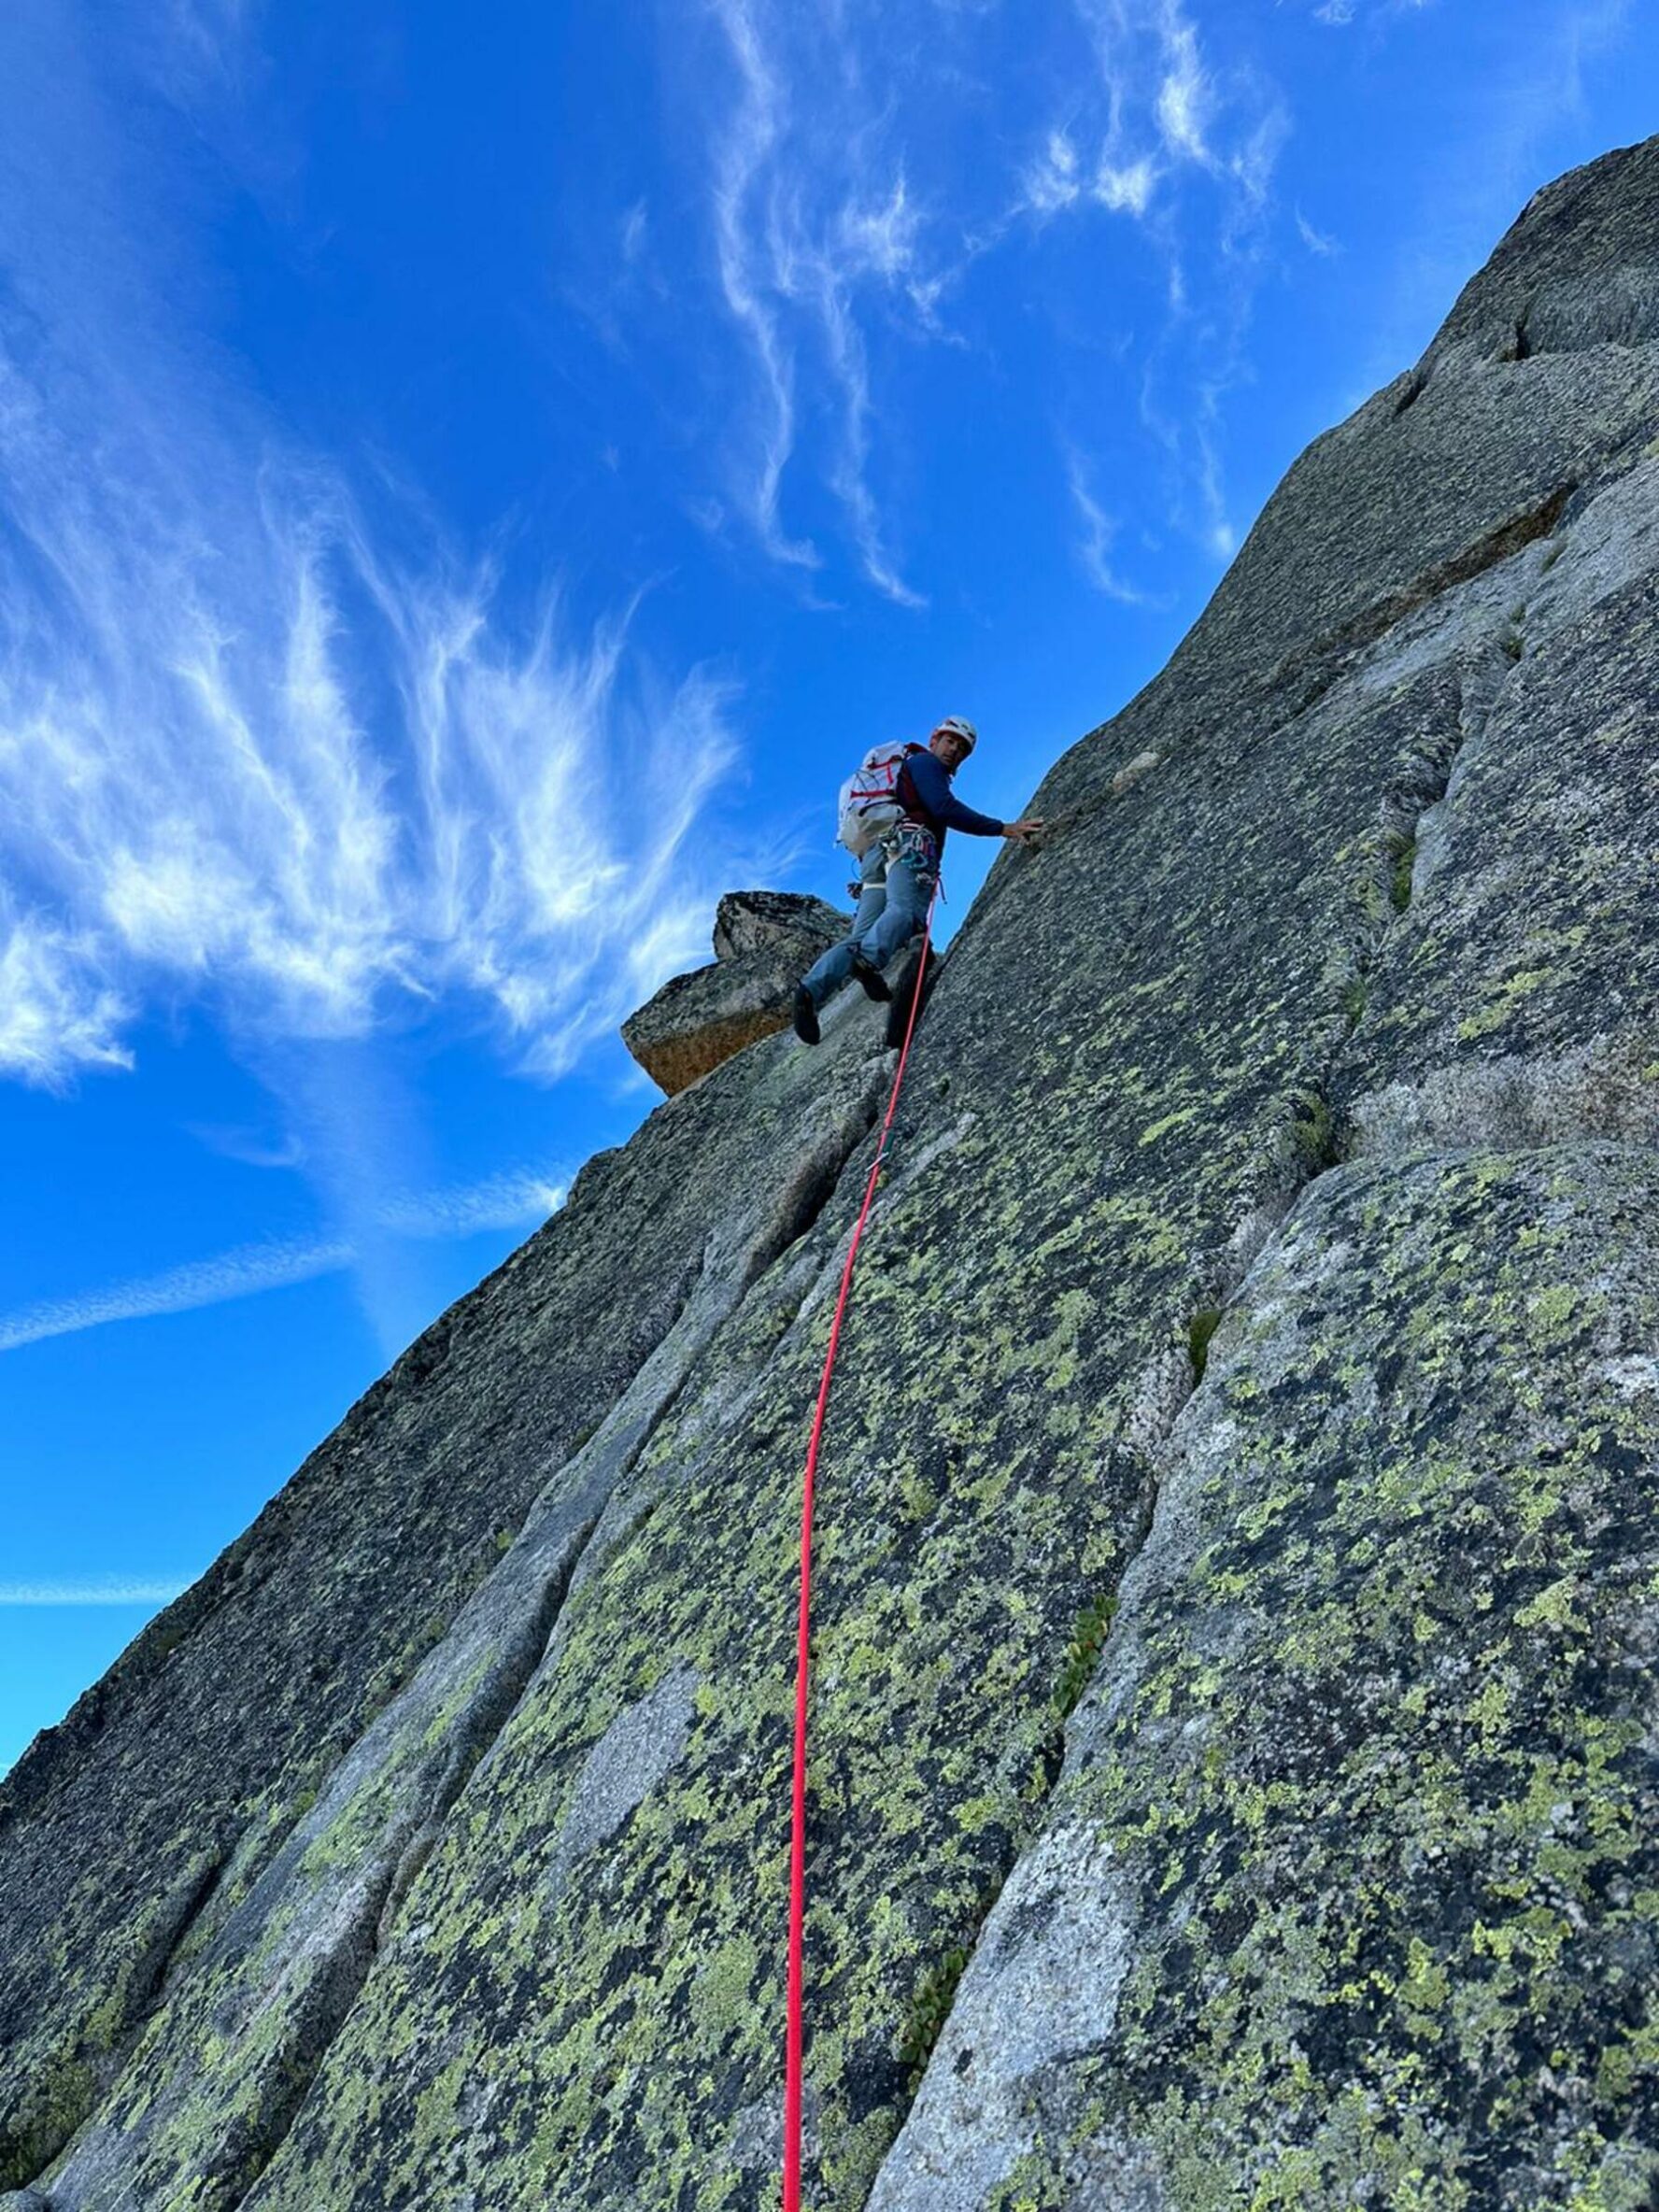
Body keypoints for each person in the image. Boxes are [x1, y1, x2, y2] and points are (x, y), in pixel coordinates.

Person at [792, 716, 1044, 1043]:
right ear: (934, 740)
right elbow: (943, 807)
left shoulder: (908, 768)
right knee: (906, 912)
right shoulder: (926, 764)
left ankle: (809, 991)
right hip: (910, 846)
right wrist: (1001, 828)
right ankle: (867, 963)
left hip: (878, 854)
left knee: (863, 933)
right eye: (950, 741)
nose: (954, 751)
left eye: (962, 749)